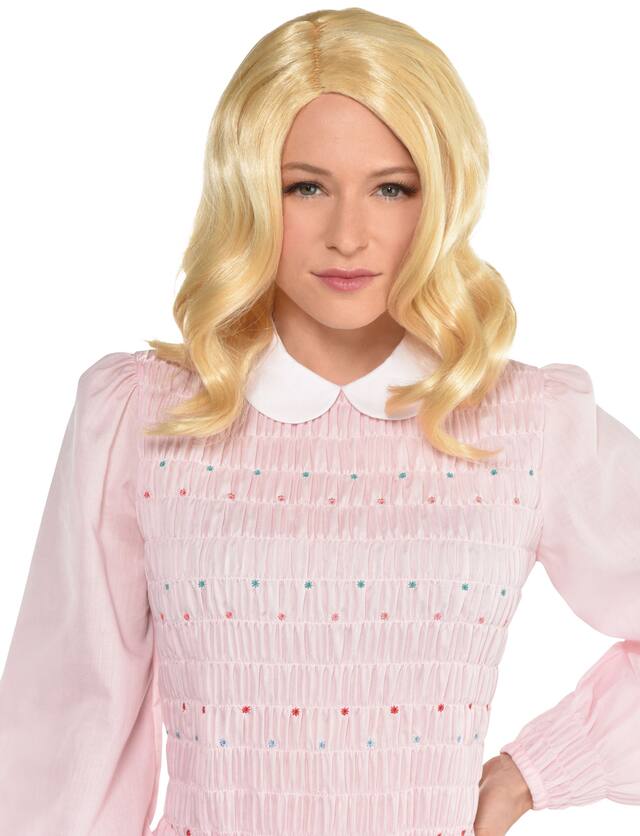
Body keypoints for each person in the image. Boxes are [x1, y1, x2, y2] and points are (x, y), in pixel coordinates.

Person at [1, 7, 639, 835]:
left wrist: (535, 771)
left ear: (441, 195)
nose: (348, 236)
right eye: (305, 186)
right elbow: (67, 726)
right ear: (249, 192)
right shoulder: (141, 416)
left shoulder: (527, 426)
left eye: (391, 188)